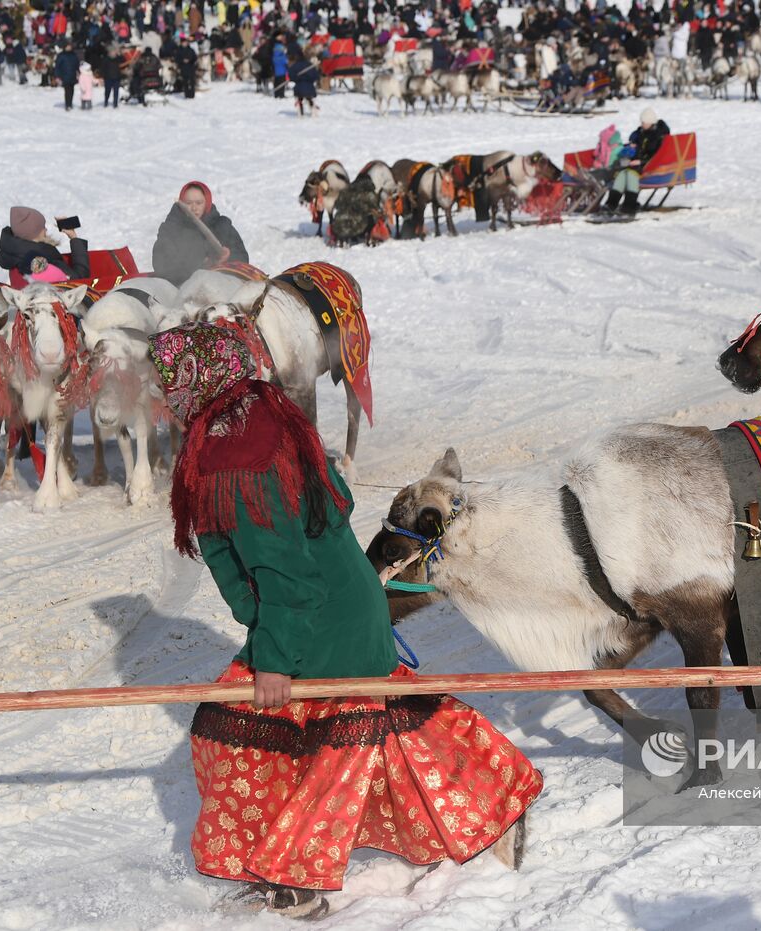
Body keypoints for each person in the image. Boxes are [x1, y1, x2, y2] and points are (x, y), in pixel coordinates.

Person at [145, 324, 542, 919]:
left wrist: (275, 657)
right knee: (364, 724)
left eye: (166, 381)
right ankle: (491, 799)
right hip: (333, 603)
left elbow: (283, 572)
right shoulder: (255, 417)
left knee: (295, 740)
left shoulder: (242, 457)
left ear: (196, 380)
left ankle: (293, 875)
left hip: (317, 615)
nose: (161, 394)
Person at [152, 182, 249, 286]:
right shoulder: (170, 228)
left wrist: (227, 258)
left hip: (221, 287)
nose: (194, 208)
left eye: (199, 203)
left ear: (206, 203)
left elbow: (243, 259)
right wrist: (202, 265)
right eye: (188, 203)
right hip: (181, 288)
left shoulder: (222, 225)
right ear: (181, 204)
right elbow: (160, 265)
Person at [604, 107, 670, 215]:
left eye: (645, 122)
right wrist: (631, 147)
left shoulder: (658, 137)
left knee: (630, 175)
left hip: (649, 166)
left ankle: (629, 205)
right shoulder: (640, 133)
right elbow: (638, 147)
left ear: (651, 122)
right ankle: (611, 204)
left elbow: (656, 155)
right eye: (642, 122)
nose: (642, 124)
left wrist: (641, 162)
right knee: (622, 174)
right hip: (635, 163)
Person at [0, 206, 90, 281]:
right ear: (33, 232)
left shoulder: (13, 255)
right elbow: (80, 280)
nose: (46, 230)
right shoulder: (46, 261)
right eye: (42, 227)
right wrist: (73, 237)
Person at [288, 46, 319, 114]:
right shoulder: (309, 65)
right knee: (309, 97)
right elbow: (316, 76)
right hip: (310, 87)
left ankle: (300, 110)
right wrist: (310, 80)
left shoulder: (295, 66)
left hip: (299, 87)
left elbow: (291, 76)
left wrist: (296, 79)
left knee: (299, 97)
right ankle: (313, 108)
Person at [55, 41, 80, 109]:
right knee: (67, 90)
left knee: (72, 91)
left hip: (72, 75)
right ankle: (67, 104)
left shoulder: (74, 55)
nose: (69, 47)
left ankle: (70, 103)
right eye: (67, 46)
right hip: (65, 76)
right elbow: (57, 66)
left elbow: (77, 65)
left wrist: (78, 72)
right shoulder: (61, 55)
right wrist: (57, 76)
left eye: (70, 46)